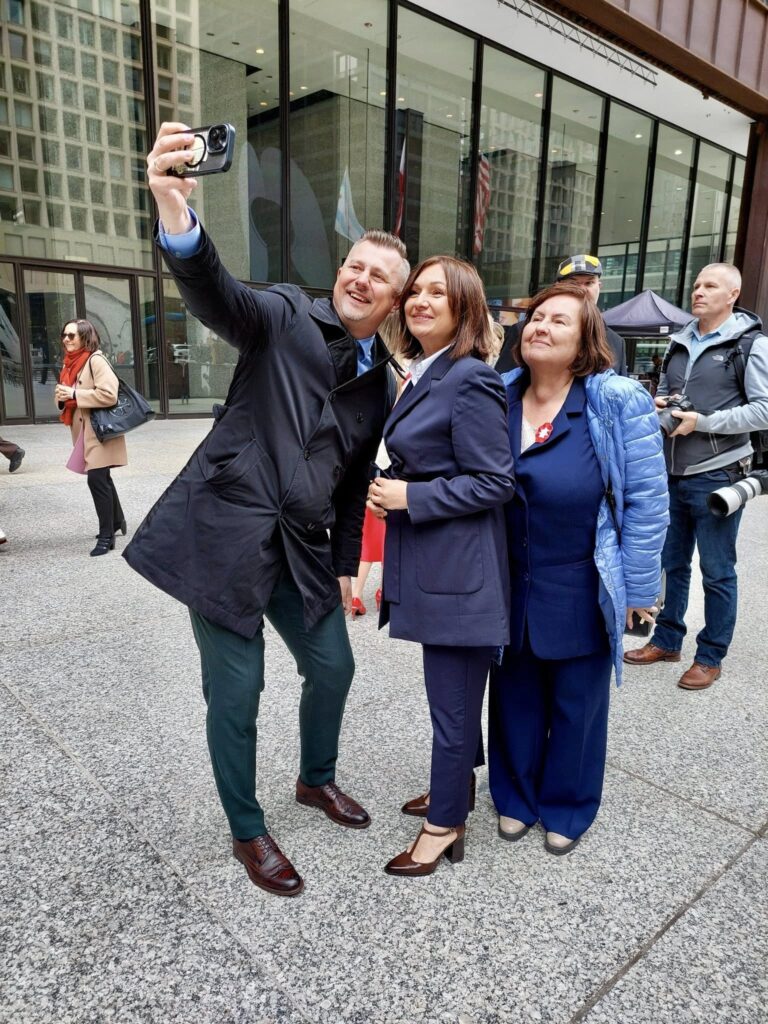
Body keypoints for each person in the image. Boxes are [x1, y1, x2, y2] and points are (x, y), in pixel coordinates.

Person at [124, 122, 410, 898]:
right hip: (224, 533)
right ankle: (247, 828)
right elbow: (215, 291)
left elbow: (353, 482)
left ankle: (315, 779)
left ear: (394, 299)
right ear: (341, 272)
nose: (361, 279)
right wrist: (175, 211)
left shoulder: (382, 382)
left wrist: (347, 567)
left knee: (334, 666)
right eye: (355, 265)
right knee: (238, 690)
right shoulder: (284, 314)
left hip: (302, 547)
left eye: (379, 277)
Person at [489, 282, 668, 855]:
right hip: (508, 578)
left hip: (583, 577)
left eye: (558, 321)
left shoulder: (616, 401)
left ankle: (568, 803)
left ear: (587, 338)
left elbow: (646, 501)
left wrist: (638, 588)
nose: (540, 326)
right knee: (513, 695)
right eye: (536, 318)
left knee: (577, 704)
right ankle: (514, 795)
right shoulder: (498, 394)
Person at [368, 255, 515, 877]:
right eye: (416, 291)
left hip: (460, 573)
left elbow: (495, 481)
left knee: (450, 705)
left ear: (465, 308)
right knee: (451, 699)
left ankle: (445, 824)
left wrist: (411, 496)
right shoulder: (428, 370)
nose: (420, 301)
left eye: (438, 293)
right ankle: (454, 786)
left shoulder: (470, 377)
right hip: (437, 562)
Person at [624, 263, 768, 690]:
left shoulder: (751, 344)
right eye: (697, 284)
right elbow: (667, 393)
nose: (698, 291)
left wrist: (702, 422)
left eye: (710, 285)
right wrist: (660, 403)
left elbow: (763, 410)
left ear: (733, 294)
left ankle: (710, 655)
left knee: (717, 570)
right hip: (670, 472)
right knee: (672, 564)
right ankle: (667, 640)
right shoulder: (679, 340)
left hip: (717, 473)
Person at [54, 319, 128, 556]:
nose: (66, 339)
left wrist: (74, 393)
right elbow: (65, 396)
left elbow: (109, 394)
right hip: (83, 430)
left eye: (71, 335)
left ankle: (107, 537)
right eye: (64, 335)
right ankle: (117, 521)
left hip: (99, 429)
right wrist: (63, 398)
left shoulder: (96, 360)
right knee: (101, 477)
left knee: (96, 479)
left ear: (85, 337)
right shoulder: (68, 363)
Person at [495, 255, 628, 375]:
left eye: (589, 283)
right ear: (558, 286)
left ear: (599, 286)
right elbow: (502, 385)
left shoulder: (615, 341)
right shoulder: (526, 332)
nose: (582, 289)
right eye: (573, 283)